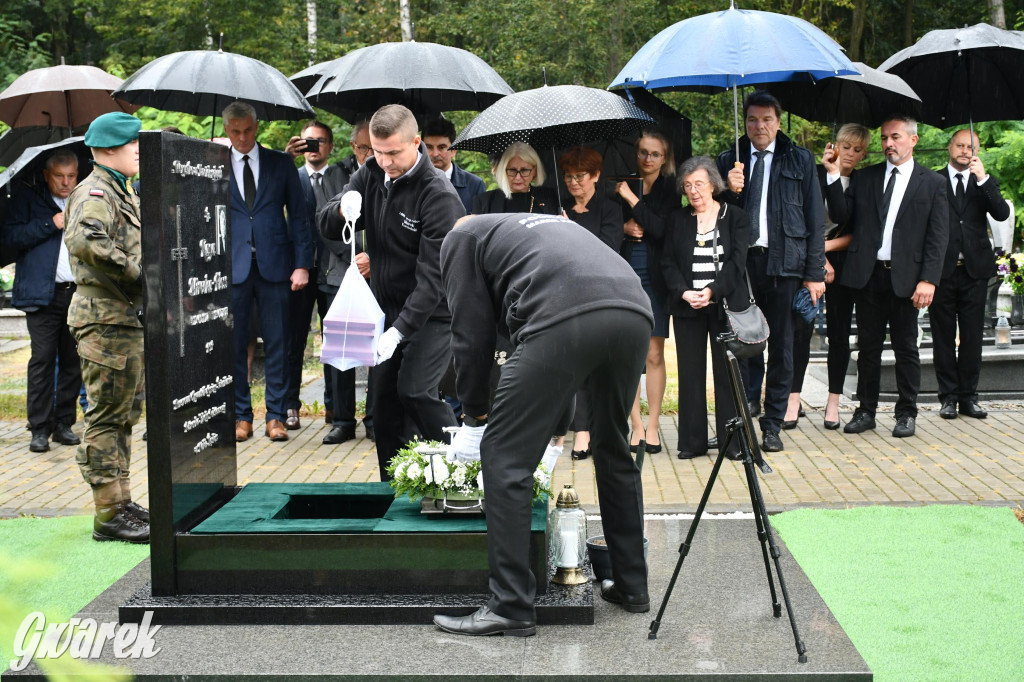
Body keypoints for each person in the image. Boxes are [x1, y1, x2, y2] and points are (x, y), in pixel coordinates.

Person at [434, 212, 653, 637]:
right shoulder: (544, 226)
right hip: (633, 311)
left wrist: (474, 416)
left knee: (503, 459)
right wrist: (559, 419)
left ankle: (511, 605)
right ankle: (631, 585)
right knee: (612, 447)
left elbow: (470, 333)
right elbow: (559, 348)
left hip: (563, 314)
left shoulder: (460, 238)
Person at [320, 104, 464, 479]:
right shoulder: (370, 174)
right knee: (383, 411)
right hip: (384, 309)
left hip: (433, 313)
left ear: (416, 142)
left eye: (394, 152)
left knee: (415, 391)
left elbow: (433, 279)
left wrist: (399, 331)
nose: (384, 161)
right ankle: (395, 487)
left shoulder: (438, 195)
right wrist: (342, 210)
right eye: (377, 151)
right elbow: (326, 225)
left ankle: (467, 469)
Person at [824, 115, 948, 438]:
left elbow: (938, 238)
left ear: (913, 140)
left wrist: (929, 280)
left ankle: (907, 413)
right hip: (868, 276)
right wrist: (834, 175)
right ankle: (866, 410)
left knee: (906, 347)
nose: (888, 144)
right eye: (883, 138)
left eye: (895, 137)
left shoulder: (932, 183)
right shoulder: (866, 178)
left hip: (907, 280)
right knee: (868, 347)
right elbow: (841, 216)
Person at [716, 90, 826, 453]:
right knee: (745, 342)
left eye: (766, 119)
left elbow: (814, 218)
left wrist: (814, 273)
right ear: (744, 122)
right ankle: (745, 411)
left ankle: (773, 422)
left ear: (778, 122)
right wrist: (728, 191)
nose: (758, 126)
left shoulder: (800, 160)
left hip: (785, 264)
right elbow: (714, 215)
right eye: (752, 119)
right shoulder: (728, 160)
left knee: (781, 346)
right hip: (742, 266)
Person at [62, 111, 148, 543]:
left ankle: (122, 502)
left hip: (120, 320)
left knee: (123, 416)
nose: (139, 151)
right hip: (104, 320)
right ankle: (108, 513)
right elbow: (84, 240)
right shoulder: (97, 192)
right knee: (104, 417)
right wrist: (138, 273)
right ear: (112, 148)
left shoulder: (120, 189)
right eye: (133, 144)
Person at [223, 101, 313, 444]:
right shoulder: (215, 165)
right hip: (233, 268)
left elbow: (300, 215)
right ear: (228, 131)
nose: (242, 138)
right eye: (235, 132)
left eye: (247, 130)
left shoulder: (280, 163)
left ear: (256, 127)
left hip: (277, 266)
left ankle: (275, 416)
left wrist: (302, 264)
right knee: (233, 344)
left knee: (279, 343)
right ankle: (241, 416)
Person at [662, 157, 749, 459]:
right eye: (687, 186)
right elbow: (668, 262)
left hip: (723, 305)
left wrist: (712, 291)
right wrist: (685, 292)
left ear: (713, 183)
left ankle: (733, 443)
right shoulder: (678, 218)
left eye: (699, 184)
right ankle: (692, 443)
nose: (694, 191)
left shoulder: (734, 216)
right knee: (690, 375)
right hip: (687, 307)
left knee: (726, 374)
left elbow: (737, 263)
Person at [789, 124, 870, 430]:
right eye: (846, 147)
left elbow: (853, 226)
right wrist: (819, 259)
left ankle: (833, 402)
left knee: (838, 335)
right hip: (809, 262)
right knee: (800, 331)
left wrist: (826, 248)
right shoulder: (814, 176)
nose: (850, 154)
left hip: (846, 263)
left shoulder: (865, 182)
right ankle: (793, 399)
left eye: (858, 149)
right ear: (834, 145)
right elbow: (803, 221)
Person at [2, 149, 83, 453]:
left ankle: (64, 423)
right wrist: (51, 223)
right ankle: (39, 427)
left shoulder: (83, 198)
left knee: (73, 361)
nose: (66, 182)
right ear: (47, 175)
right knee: (43, 360)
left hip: (77, 292)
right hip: (42, 294)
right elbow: (10, 239)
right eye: (59, 177)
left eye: (71, 176)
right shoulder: (27, 199)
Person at [286, 120, 360, 443]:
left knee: (335, 341)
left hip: (335, 270)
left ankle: (335, 408)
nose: (312, 147)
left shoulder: (342, 177)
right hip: (298, 272)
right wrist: (286, 160)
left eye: (318, 142)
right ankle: (289, 405)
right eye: (307, 142)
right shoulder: (290, 174)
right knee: (294, 340)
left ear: (330, 146)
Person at [931, 129, 1009, 419]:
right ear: (950, 148)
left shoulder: (984, 182)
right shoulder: (933, 180)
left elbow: (1001, 213)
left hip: (975, 271)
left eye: (970, 147)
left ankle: (969, 397)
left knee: (973, 336)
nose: (965, 150)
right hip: (942, 271)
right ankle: (947, 398)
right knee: (942, 336)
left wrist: (984, 179)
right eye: (960, 145)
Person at [615, 129, 678, 455]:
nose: (647, 159)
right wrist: (623, 226)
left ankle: (653, 426)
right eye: (642, 152)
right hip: (624, 273)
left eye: (654, 154)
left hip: (655, 277)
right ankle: (635, 425)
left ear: (664, 158)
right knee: (628, 353)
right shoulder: (620, 182)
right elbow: (609, 225)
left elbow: (661, 229)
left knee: (653, 353)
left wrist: (631, 200)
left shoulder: (670, 189)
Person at [559, 145, 623, 460]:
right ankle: (581, 432)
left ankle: (607, 429)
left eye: (580, 176)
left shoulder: (610, 210)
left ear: (595, 175)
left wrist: (568, 229)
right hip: (569, 297)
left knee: (602, 367)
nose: (574, 182)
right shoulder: (561, 209)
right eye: (569, 176)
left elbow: (608, 249)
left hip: (602, 296)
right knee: (576, 365)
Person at [471, 141, 560, 215]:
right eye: (512, 170)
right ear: (504, 171)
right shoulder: (484, 202)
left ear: (535, 171)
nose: (518, 177)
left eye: (524, 170)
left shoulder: (547, 197)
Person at [422, 117, 486, 214]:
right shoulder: (412, 183)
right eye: (429, 147)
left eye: (441, 147)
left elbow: (481, 224)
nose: (435, 154)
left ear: (454, 151)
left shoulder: (474, 185)